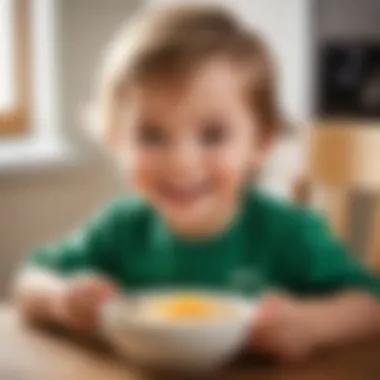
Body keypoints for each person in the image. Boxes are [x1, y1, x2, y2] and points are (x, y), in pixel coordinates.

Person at [13, 3, 380, 362]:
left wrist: (312, 325)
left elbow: (370, 305)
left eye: (213, 135)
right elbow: (29, 282)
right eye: (151, 135)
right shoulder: (121, 229)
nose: (181, 163)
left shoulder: (288, 233)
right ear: (116, 141)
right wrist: (60, 300)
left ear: (261, 142)